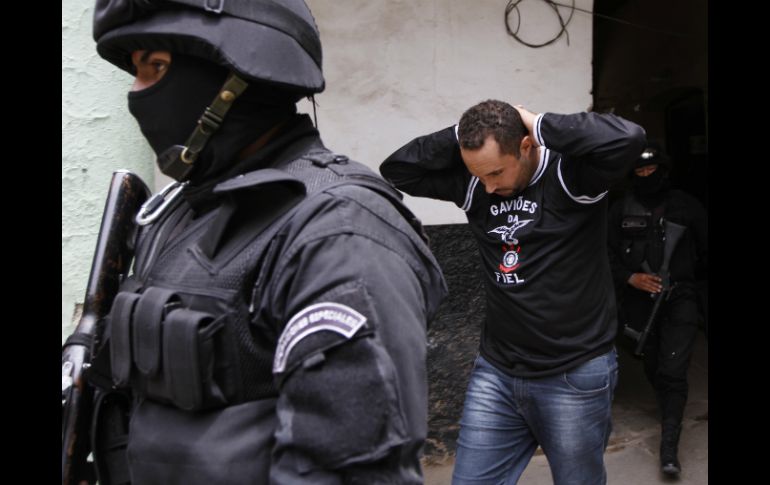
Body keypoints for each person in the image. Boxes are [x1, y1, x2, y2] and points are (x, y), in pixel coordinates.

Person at [80, 0, 448, 483]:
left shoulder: (339, 228)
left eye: (157, 66)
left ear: (236, 78)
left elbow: (348, 468)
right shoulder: (180, 212)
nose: (137, 91)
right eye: (135, 69)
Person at [380, 99, 646, 484]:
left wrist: (537, 124)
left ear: (524, 147)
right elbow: (398, 169)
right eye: (479, 174)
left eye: (496, 173)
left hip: (573, 374)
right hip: (498, 373)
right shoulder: (476, 185)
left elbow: (628, 138)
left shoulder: (572, 177)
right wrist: (464, 131)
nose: (489, 186)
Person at [607, 143, 707, 477]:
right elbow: (605, 256)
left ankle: (669, 447)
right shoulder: (620, 210)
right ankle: (670, 410)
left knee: (673, 370)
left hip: (680, 297)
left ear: (664, 170)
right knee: (653, 365)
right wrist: (630, 277)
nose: (647, 176)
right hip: (639, 303)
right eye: (641, 172)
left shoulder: (687, 207)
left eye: (653, 170)